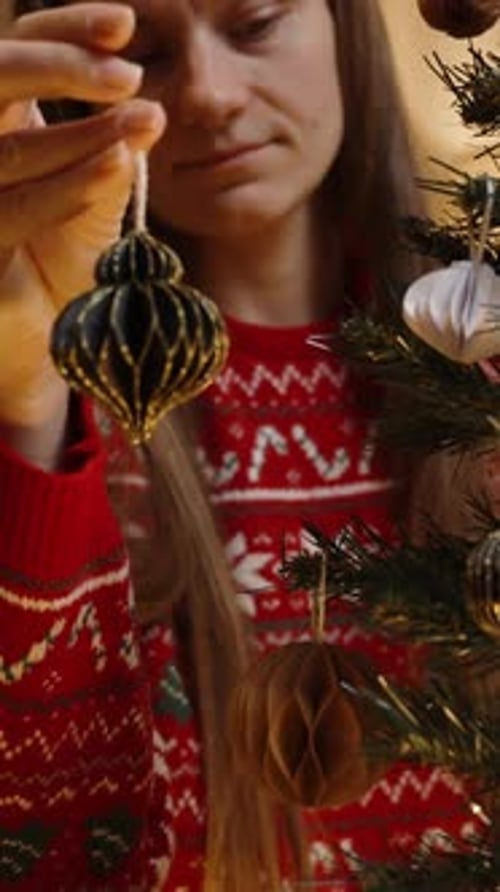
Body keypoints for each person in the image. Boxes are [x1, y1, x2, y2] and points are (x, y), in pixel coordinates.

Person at [0, 1, 486, 890]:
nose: (211, 97)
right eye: (144, 54)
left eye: (256, 22)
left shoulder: (476, 374)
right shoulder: (58, 413)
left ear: (345, 22)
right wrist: (30, 402)